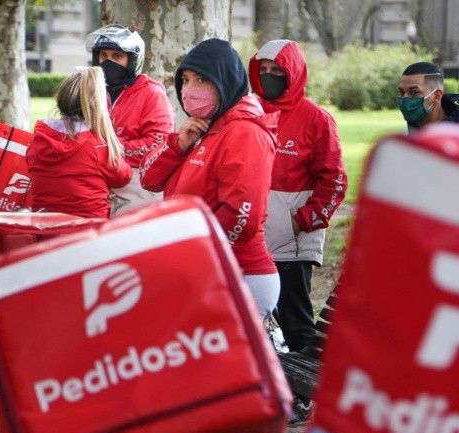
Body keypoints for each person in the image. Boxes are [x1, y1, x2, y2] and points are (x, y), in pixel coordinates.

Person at [140, 38, 280, 320]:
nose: (190, 89)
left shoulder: (245, 132)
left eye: (202, 79)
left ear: (224, 81)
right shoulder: (208, 127)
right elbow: (149, 179)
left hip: (237, 274)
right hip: (201, 268)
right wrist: (177, 145)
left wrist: (198, 258)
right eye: (186, 80)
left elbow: (243, 216)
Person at [248, 40, 347, 354]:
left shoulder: (316, 119)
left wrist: (299, 222)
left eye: (276, 70)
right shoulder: (247, 111)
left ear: (293, 72)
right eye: (263, 70)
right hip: (250, 234)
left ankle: (305, 399)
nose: (268, 76)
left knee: (295, 323)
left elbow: (334, 180)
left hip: (292, 244)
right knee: (254, 320)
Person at [84, 24, 175, 216]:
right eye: (103, 56)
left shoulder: (151, 93)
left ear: (132, 60)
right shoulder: (93, 93)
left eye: (117, 56)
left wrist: (110, 150)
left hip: (140, 186)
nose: (108, 62)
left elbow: (157, 143)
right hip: (101, 181)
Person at [26, 67, 133, 219]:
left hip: (44, 228)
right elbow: (123, 176)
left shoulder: (39, 140)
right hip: (88, 230)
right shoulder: (98, 145)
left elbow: (31, 166)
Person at [398, 61, 459, 135]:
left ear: (437, 96)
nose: (405, 98)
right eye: (402, 92)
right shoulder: (409, 138)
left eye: (414, 92)